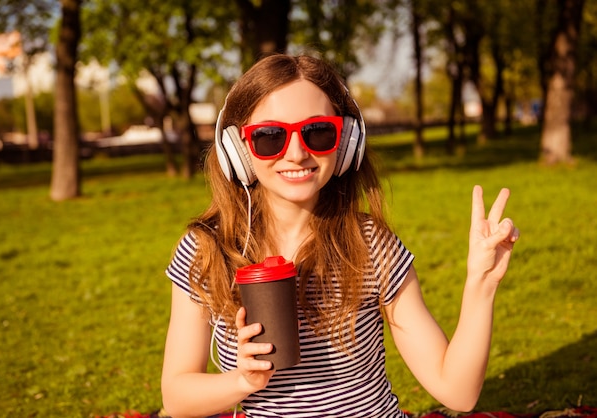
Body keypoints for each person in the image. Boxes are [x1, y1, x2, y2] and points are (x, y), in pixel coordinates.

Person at [161, 53, 519, 418]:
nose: (297, 153)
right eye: (270, 136)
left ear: (346, 140)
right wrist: (242, 381)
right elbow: (176, 397)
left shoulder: (371, 244)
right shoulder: (206, 250)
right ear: (238, 149)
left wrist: (482, 283)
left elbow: (457, 393)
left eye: (318, 132)